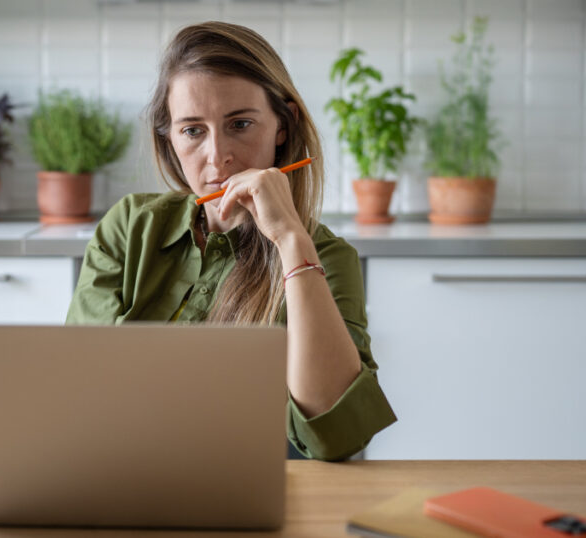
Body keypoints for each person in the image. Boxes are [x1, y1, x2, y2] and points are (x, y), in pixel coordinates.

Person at [66, 21, 396, 461]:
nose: (217, 155)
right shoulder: (130, 227)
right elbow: (83, 388)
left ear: (283, 125)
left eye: (239, 124)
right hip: (123, 476)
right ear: (169, 139)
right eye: (192, 130)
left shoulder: (327, 257)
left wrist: (292, 241)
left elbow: (335, 436)